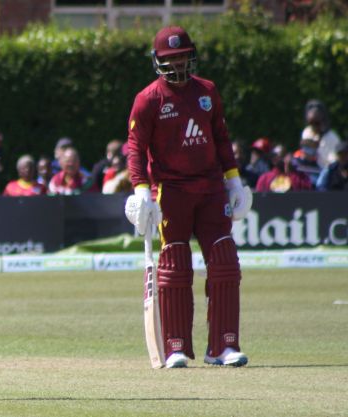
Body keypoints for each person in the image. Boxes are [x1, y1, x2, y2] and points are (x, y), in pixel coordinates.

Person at [124, 27, 251, 369]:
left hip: (210, 187)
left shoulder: (206, 91)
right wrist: (141, 189)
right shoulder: (148, 99)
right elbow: (135, 148)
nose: (178, 64)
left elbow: (221, 137)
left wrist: (234, 181)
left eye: (182, 57)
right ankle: (175, 346)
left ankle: (224, 345)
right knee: (175, 265)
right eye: (171, 59)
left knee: (225, 262)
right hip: (171, 190)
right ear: (158, 61)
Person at [301, 99, 343, 169]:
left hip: (326, 170)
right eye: (311, 123)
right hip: (309, 169)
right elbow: (307, 155)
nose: (314, 127)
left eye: (317, 123)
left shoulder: (331, 137)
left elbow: (334, 162)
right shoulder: (307, 132)